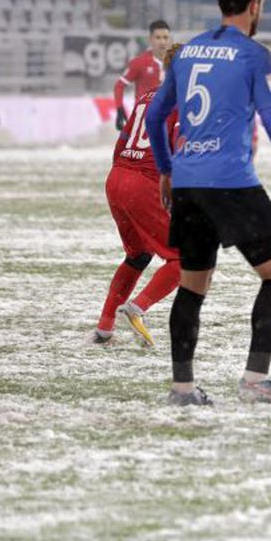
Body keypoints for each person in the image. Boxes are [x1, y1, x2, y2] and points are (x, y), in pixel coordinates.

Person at [146, 0, 271, 408]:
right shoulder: (254, 55)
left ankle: (182, 389)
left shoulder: (185, 52)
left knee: (192, 284)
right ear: (255, 3)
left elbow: (153, 116)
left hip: (189, 184)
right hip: (232, 183)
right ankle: (255, 381)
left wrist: (166, 170)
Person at [93, 43, 183, 348]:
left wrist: (123, 176)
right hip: (143, 183)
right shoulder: (183, 100)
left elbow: (122, 142)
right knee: (182, 258)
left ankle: (104, 328)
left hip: (116, 178)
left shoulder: (146, 96)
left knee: (138, 254)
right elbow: (178, 146)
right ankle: (137, 307)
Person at [114, 19, 174, 131]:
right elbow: (119, 86)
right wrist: (120, 109)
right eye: (158, 38)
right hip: (144, 122)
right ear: (150, 39)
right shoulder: (140, 62)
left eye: (165, 38)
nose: (162, 42)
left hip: (168, 120)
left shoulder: (177, 62)